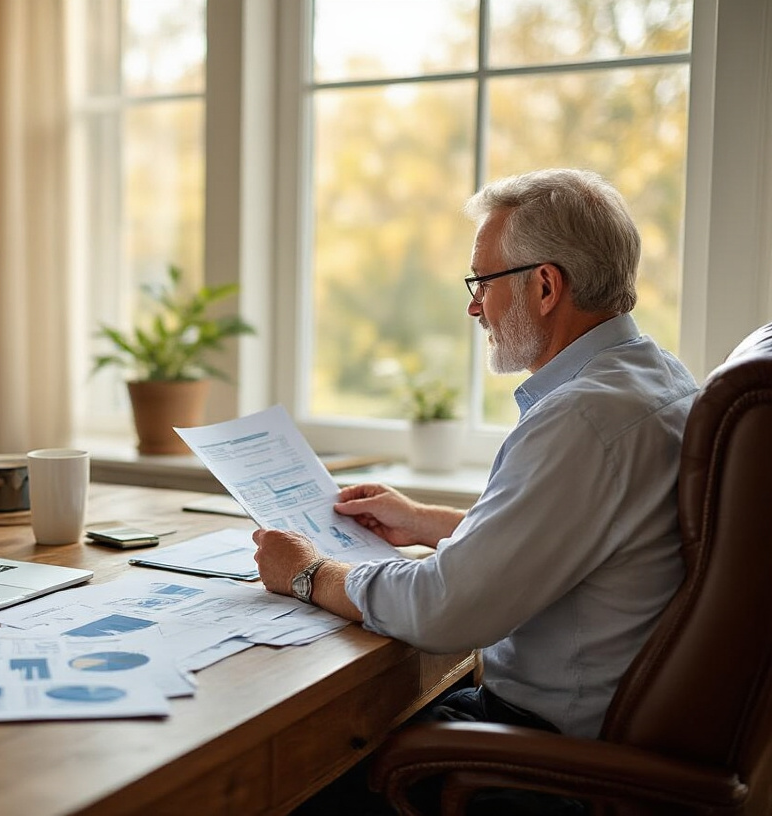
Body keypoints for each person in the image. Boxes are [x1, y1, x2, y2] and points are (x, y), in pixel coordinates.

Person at [253, 168, 699, 814]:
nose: (472, 307)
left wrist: (308, 573)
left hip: (552, 761)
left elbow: (441, 607)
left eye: (481, 283)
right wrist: (423, 521)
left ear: (545, 286)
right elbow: (574, 537)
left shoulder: (583, 420)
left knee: (303, 772)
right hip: (597, 740)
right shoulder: (656, 380)